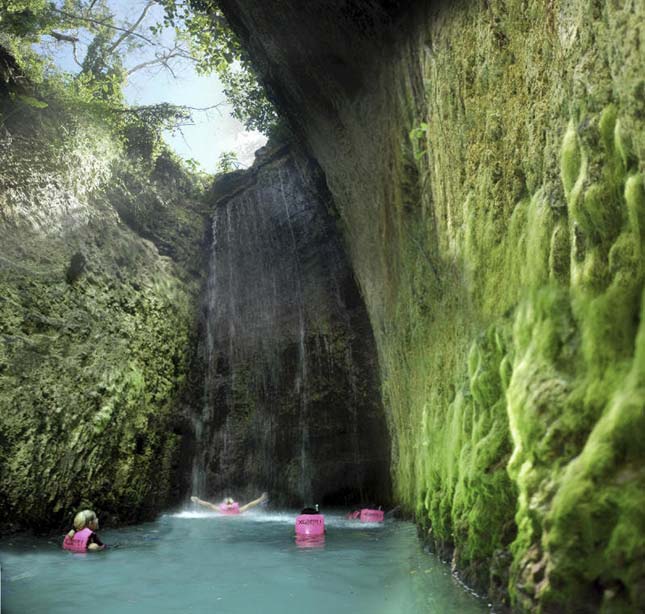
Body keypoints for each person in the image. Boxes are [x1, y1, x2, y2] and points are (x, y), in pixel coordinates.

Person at [190, 492, 268, 514]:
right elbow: (249, 505)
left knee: (210, 505)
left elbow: (209, 505)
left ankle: (261, 499)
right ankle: (261, 499)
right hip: (233, 512)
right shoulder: (235, 510)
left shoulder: (222, 510)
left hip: (228, 512)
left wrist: (199, 501)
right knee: (248, 506)